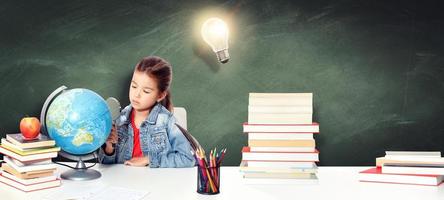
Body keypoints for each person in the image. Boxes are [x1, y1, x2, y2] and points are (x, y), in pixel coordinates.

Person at [99, 56, 195, 168]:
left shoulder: (166, 121)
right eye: (134, 86)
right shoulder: (119, 120)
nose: (137, 94)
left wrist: (149, 160)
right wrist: (109, 148)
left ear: (160, 95)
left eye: (146, 91)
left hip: (154, 183)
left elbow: (188, 158)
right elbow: (106, 165)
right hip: (123, 183)